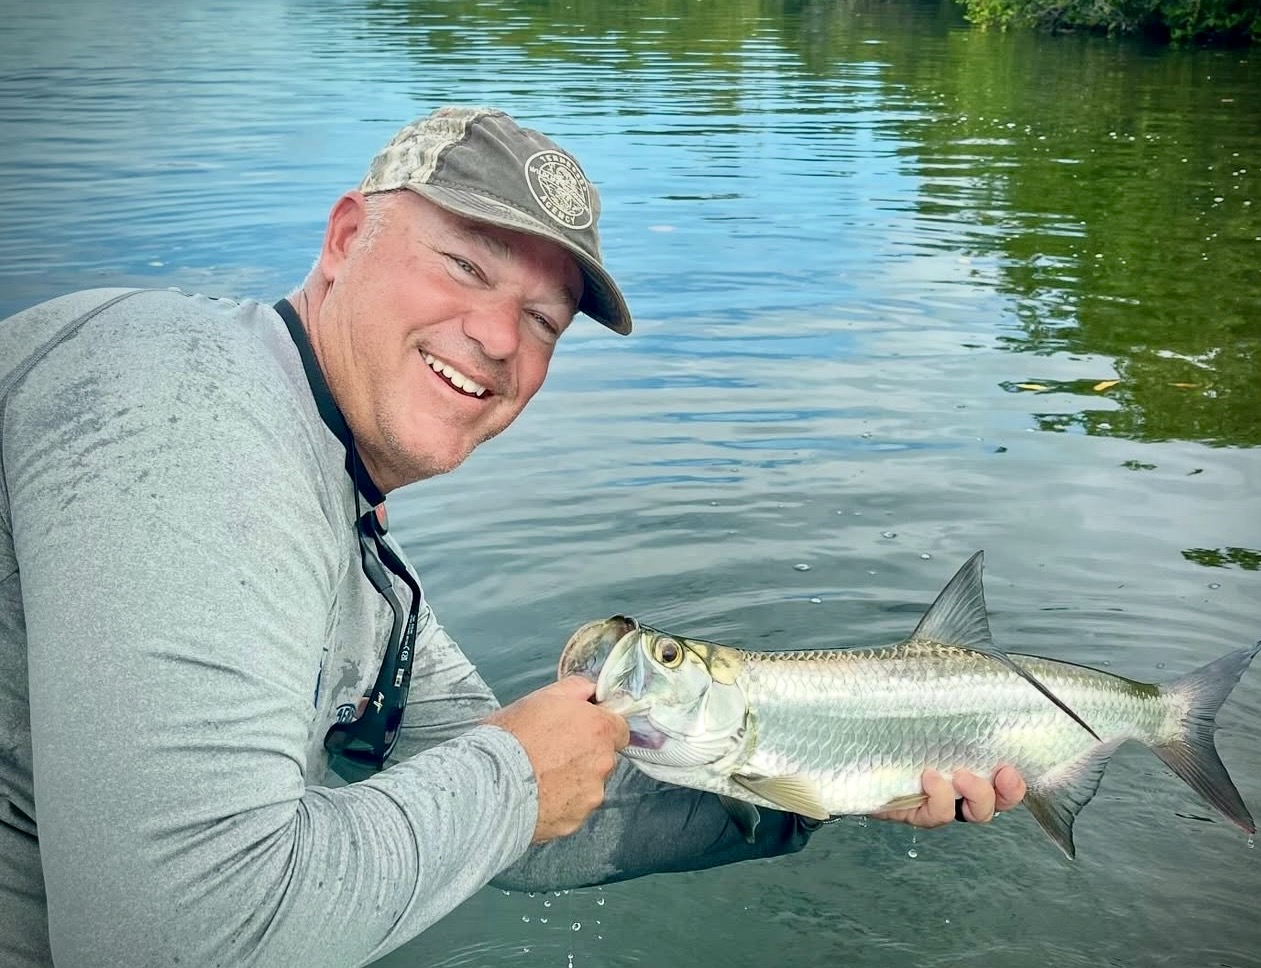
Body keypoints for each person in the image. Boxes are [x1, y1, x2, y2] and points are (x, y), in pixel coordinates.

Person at [0, 106, 1025, 968]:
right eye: (464, 263)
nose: (497, 337)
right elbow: (174, 936)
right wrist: (510, 775)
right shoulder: (187, 414)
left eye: (543, 318)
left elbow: (534, 832)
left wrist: (821, 782)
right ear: (346, 236)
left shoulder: (350, 546)